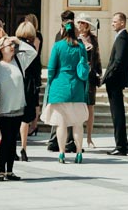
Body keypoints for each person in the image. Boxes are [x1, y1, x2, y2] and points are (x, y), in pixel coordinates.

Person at [41, 18, 90, 164]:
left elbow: (51, 68)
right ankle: (79, 152)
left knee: (61, 124)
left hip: (59, 87)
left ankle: (62, 153)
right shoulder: (80, 47)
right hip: (76, 87)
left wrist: (51, 81)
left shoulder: (57, 46)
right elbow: (85, 65)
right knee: (77, 123)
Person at [0, 32, 39, 180]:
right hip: (4, 108)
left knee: (13, 139)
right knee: (5, 139)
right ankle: (1, 170)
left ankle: (10, 170)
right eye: (9, 45)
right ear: (1, 48)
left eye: (13, 45)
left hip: (18, 106)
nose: (12, 47)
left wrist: (18, 41)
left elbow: (33, 52)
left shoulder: (19, 61)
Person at [103, 11, 128, 156]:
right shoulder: (124, 37)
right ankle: (124, 144)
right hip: (117, 80)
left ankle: (121, 145)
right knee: (118, 113)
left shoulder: (122, 38)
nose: (112, 23)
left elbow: (118, 61)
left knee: (117, 114)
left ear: (122, 22)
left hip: (115, 81)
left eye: (115, 21)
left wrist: (107, 76)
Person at [45, 10, 78, 152]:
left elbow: (53, 64)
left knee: (59, 113)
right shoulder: (77, 41)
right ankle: (67, 142)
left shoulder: (60, 39)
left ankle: (58, 142)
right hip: (71, 81)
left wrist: (51, 80)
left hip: (59, 79)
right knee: (70, 115)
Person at [15, 20, 41, 160]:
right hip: (28, 85)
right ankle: (23, 148)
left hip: (15, 82)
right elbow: (37, 70)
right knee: (25, 119)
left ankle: (9, 145)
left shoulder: (13, 46)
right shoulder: (31, 49)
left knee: (11, 115)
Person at [76, 15, 102, 150]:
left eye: (82, 23)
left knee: (90, 107)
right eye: (79, 22)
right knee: (79, 107)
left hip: (90, 76)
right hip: (79, 76)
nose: (79, 25)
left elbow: (97, 56)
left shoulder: (93, 39)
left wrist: (99, 72)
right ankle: (77, 137)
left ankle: (89, 138)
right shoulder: (75, 39)